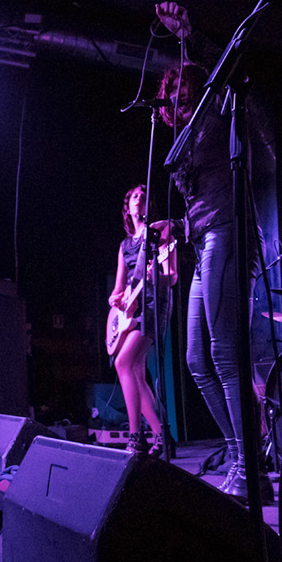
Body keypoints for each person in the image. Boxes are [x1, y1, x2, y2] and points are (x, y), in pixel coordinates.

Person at [153, 1, 269, 502]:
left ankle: (249, 467)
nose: (174, 102)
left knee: (224, 352)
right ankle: (243, 457)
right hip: (203, 238)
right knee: (196, 358)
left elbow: (229, 68)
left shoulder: (217, 112)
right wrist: (176, 225)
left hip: (230, 231)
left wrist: (189, 34)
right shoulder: (183, 139)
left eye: (181, 92)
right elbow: (200, 199)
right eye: (170, 97)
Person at [107, 183, 176, 456]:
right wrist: (115, 300)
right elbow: (117, 289)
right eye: (134, 196)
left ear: (149, 205)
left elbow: (172, 276)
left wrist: (154, 276)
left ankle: (136, 437)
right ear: (127, 207)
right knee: (135, 371)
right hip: (131, 311)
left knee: (123, 362)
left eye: (144, 197)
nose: (139, 200)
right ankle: (161, 436)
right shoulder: (124, 246)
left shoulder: (159, 234)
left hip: (153, 305)